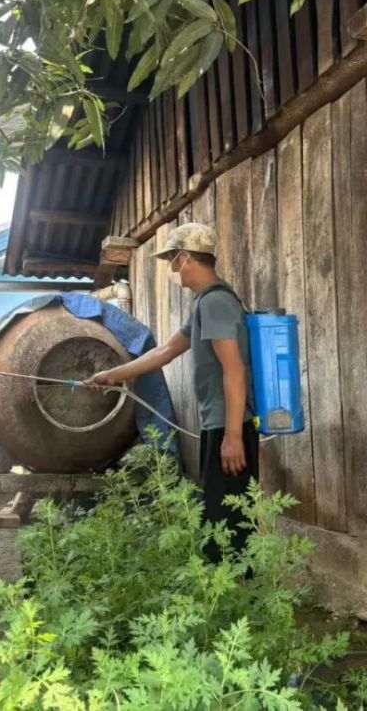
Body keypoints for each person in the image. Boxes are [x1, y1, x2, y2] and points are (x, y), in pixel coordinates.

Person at [87, 222, 258, 560]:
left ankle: (235, 587)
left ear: (185, 257)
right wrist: (112, 375)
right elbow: (165, 351)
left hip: (230, 427)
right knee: (220, 519)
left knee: (228, 528)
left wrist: (233, 437)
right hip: (220, 425)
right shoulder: (205, 302)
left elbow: (234, 370)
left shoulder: (216, 303)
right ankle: (229, 585)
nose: (172, 268)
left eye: (172, 260)